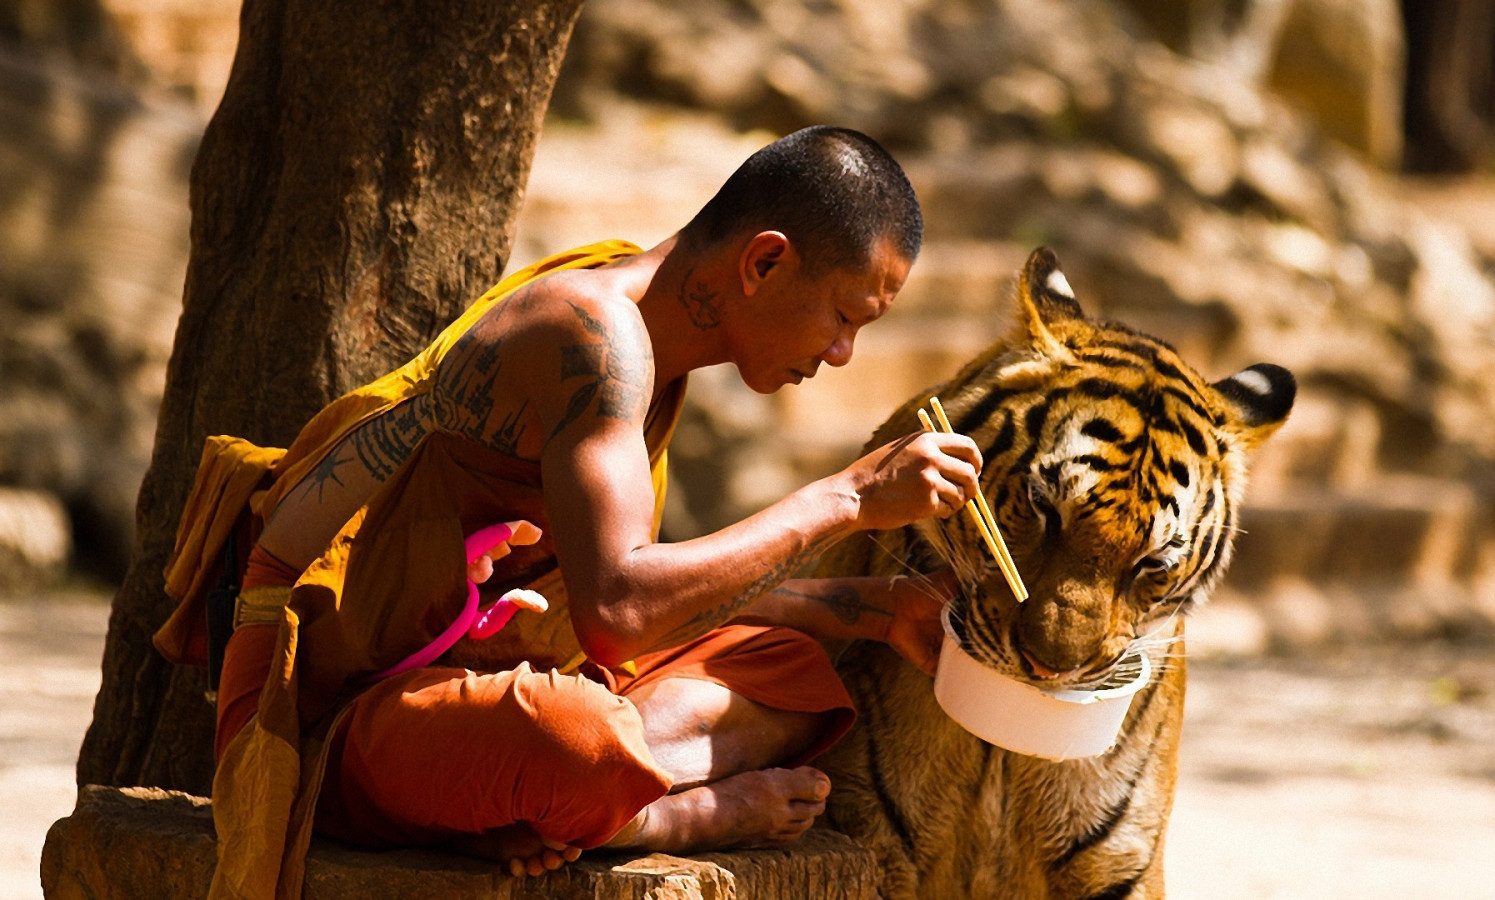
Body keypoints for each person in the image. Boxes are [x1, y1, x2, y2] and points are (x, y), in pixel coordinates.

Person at [153, 125, 982, 897]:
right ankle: (652, 815)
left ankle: (528, 805)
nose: (842, 354)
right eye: (845, 317)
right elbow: (620, 611)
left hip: (490, 662)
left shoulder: (658, 347)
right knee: (573, 740)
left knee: (792, 673)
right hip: (329, 701)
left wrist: (869, 610)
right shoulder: (592, 336)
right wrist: (846, 498)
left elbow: (606, 587)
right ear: (764, 263)